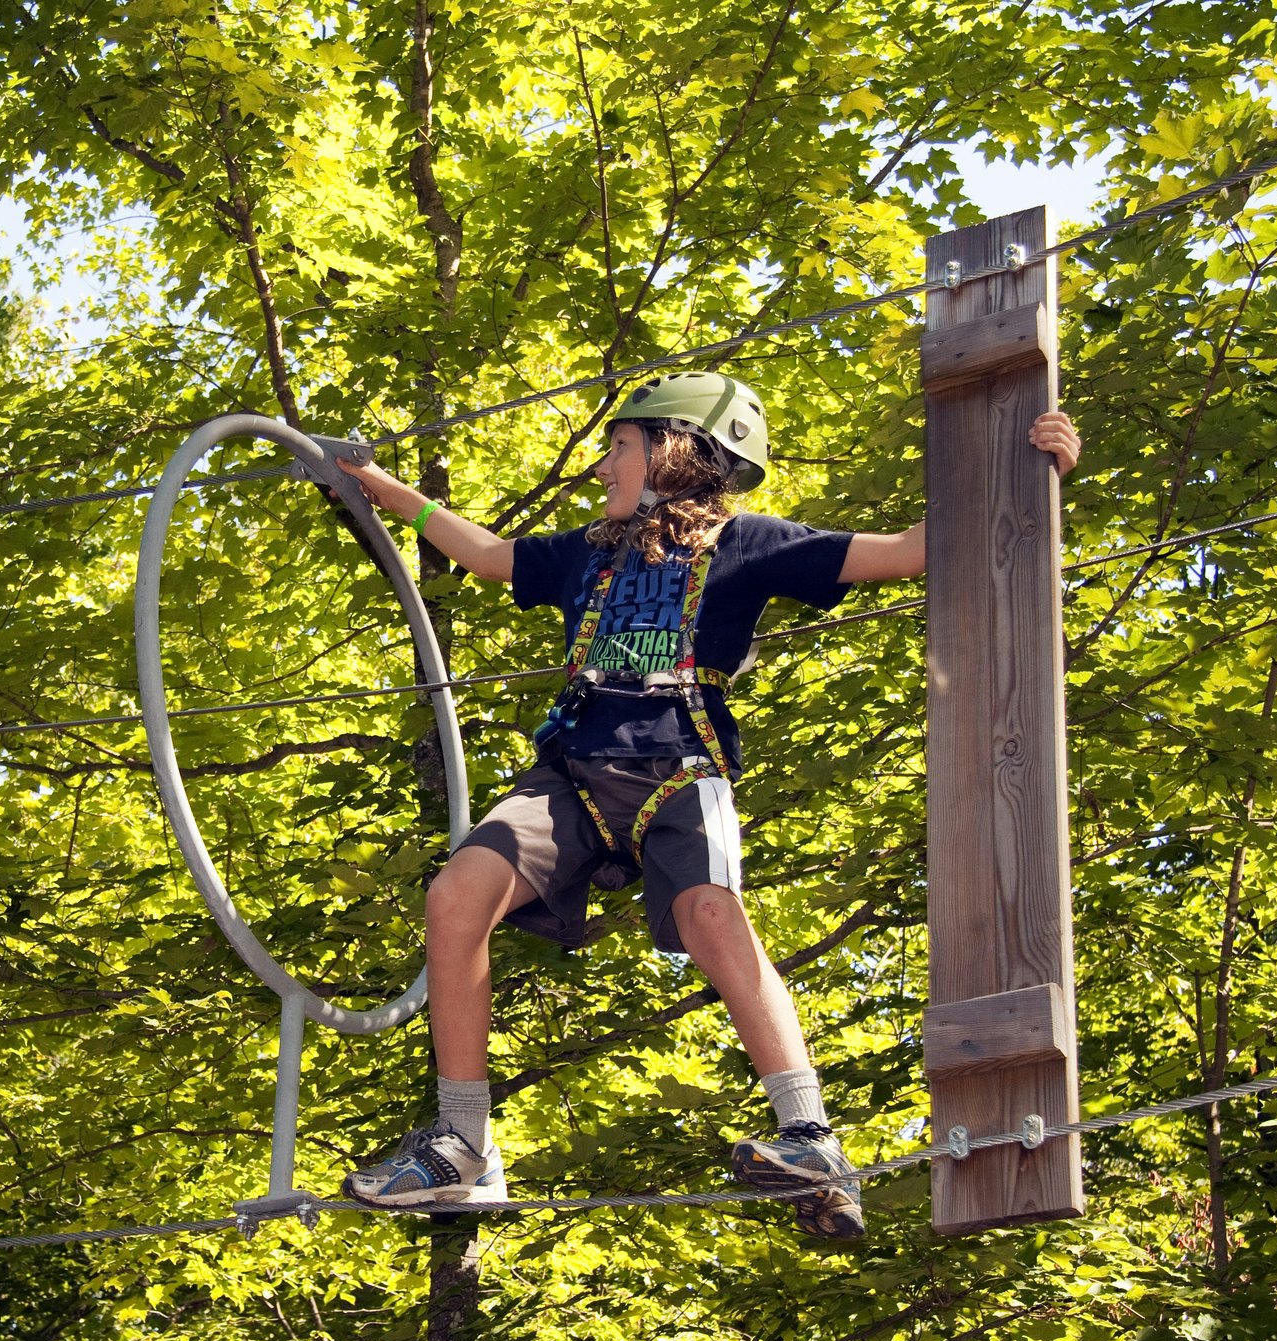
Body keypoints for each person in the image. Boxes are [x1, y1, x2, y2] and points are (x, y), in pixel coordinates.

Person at [331, 372, 1080, 1238]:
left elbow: (912, 548)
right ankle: (462, 1143)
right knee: (454, 895)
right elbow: (491, 555)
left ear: (671, 452)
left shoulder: (750, 542)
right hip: (573, 774)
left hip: (677, 769)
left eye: (617, 446)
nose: (601, 465)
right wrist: (385, 491)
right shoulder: (587, 551)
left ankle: (808, 1134)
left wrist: (1032, 474)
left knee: (710, 916)